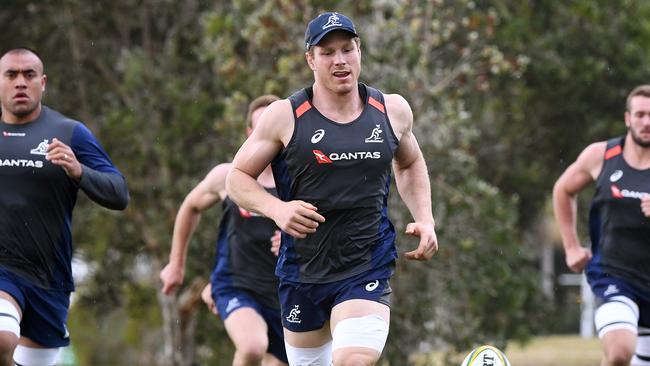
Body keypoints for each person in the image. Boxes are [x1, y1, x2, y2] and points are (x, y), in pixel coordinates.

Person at [225, 12, 438, 366]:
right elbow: (237, 179)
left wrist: (425, 219)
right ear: (310, 59)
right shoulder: (285, 116)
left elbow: (410, 162)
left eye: (347, 49)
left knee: (353, 360)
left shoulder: (391, 111)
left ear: (359, 52)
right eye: (327, 52)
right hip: (302, 271)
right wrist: (278, 209)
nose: (340, 60)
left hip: (366, 264)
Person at [0, 47, 129, 366]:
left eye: (29, 75)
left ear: (42, 82)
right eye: (11, 75)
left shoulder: (69, 133)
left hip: (49, 279)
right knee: (1, 339)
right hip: (3, 270)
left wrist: (78, 170)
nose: (20, 82)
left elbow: (119, 193)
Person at [160, 94, 288, 366]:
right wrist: (176, 264)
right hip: (235, 285)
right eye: (260, 126)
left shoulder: (300, 184)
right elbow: (190, 207)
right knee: (253, 346)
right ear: (250, 133)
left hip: (282, 295)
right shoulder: (228, 177)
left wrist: (294, 239)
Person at [553, 84, 650, 366]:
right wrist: (571, 247)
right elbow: (563, 189)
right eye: (641, 114)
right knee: (620, 352)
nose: (647, 122)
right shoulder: (602, 155)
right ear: (628, 118)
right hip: (614, 275)